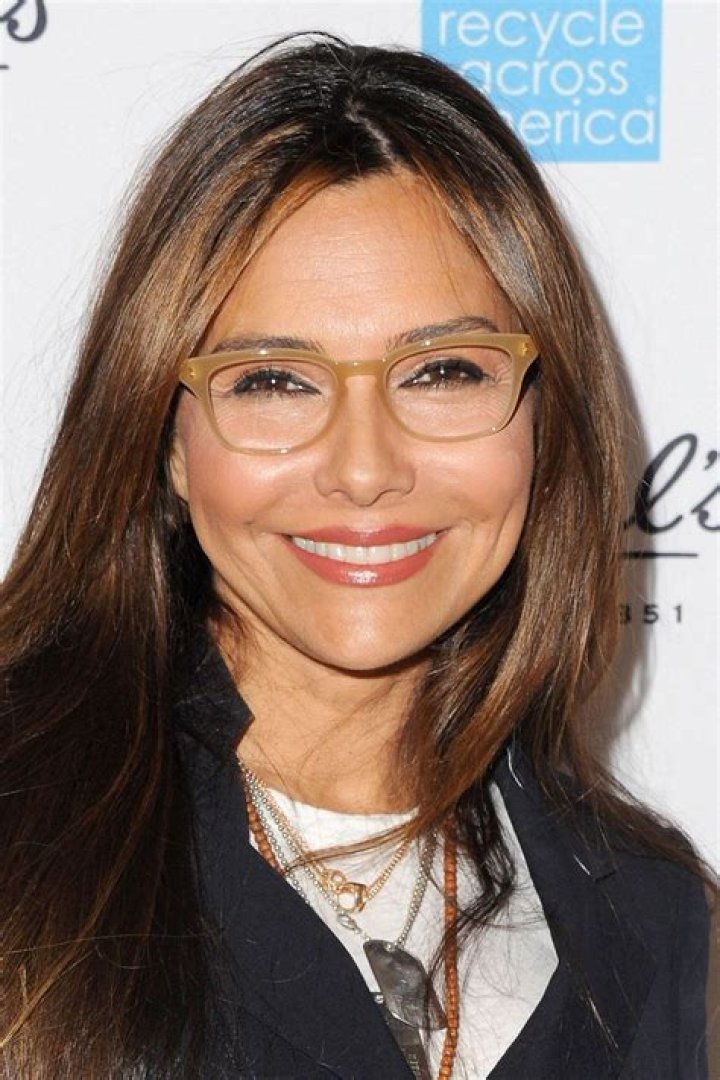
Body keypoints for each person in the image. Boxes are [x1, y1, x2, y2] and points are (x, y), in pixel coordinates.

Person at [1, 34, 712, 1080]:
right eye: (273, 380)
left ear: (543, 420)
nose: (366, 469)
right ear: (167, 441)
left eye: (443, 371)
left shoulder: (652, 919)